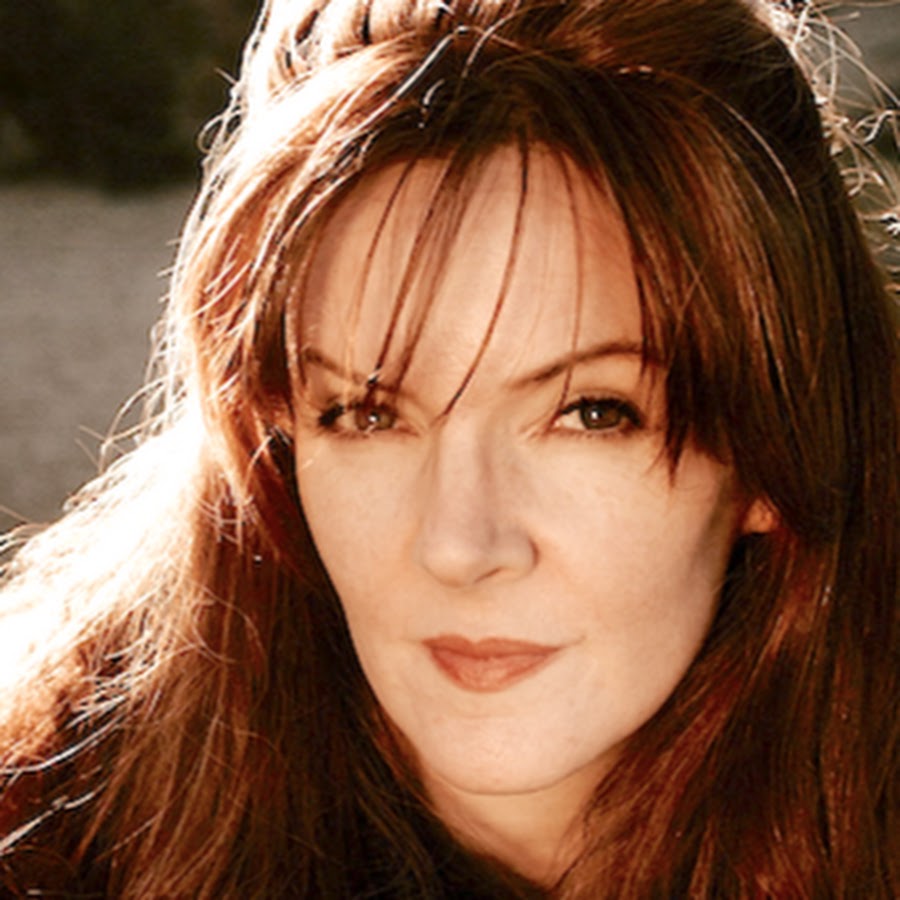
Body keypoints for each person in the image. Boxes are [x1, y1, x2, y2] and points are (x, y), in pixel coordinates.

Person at [0, 0, 896, 896]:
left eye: (591, 413)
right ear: (274, 438)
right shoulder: (44, 838)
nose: (461, 547)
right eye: (368, 414)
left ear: (775, 436)